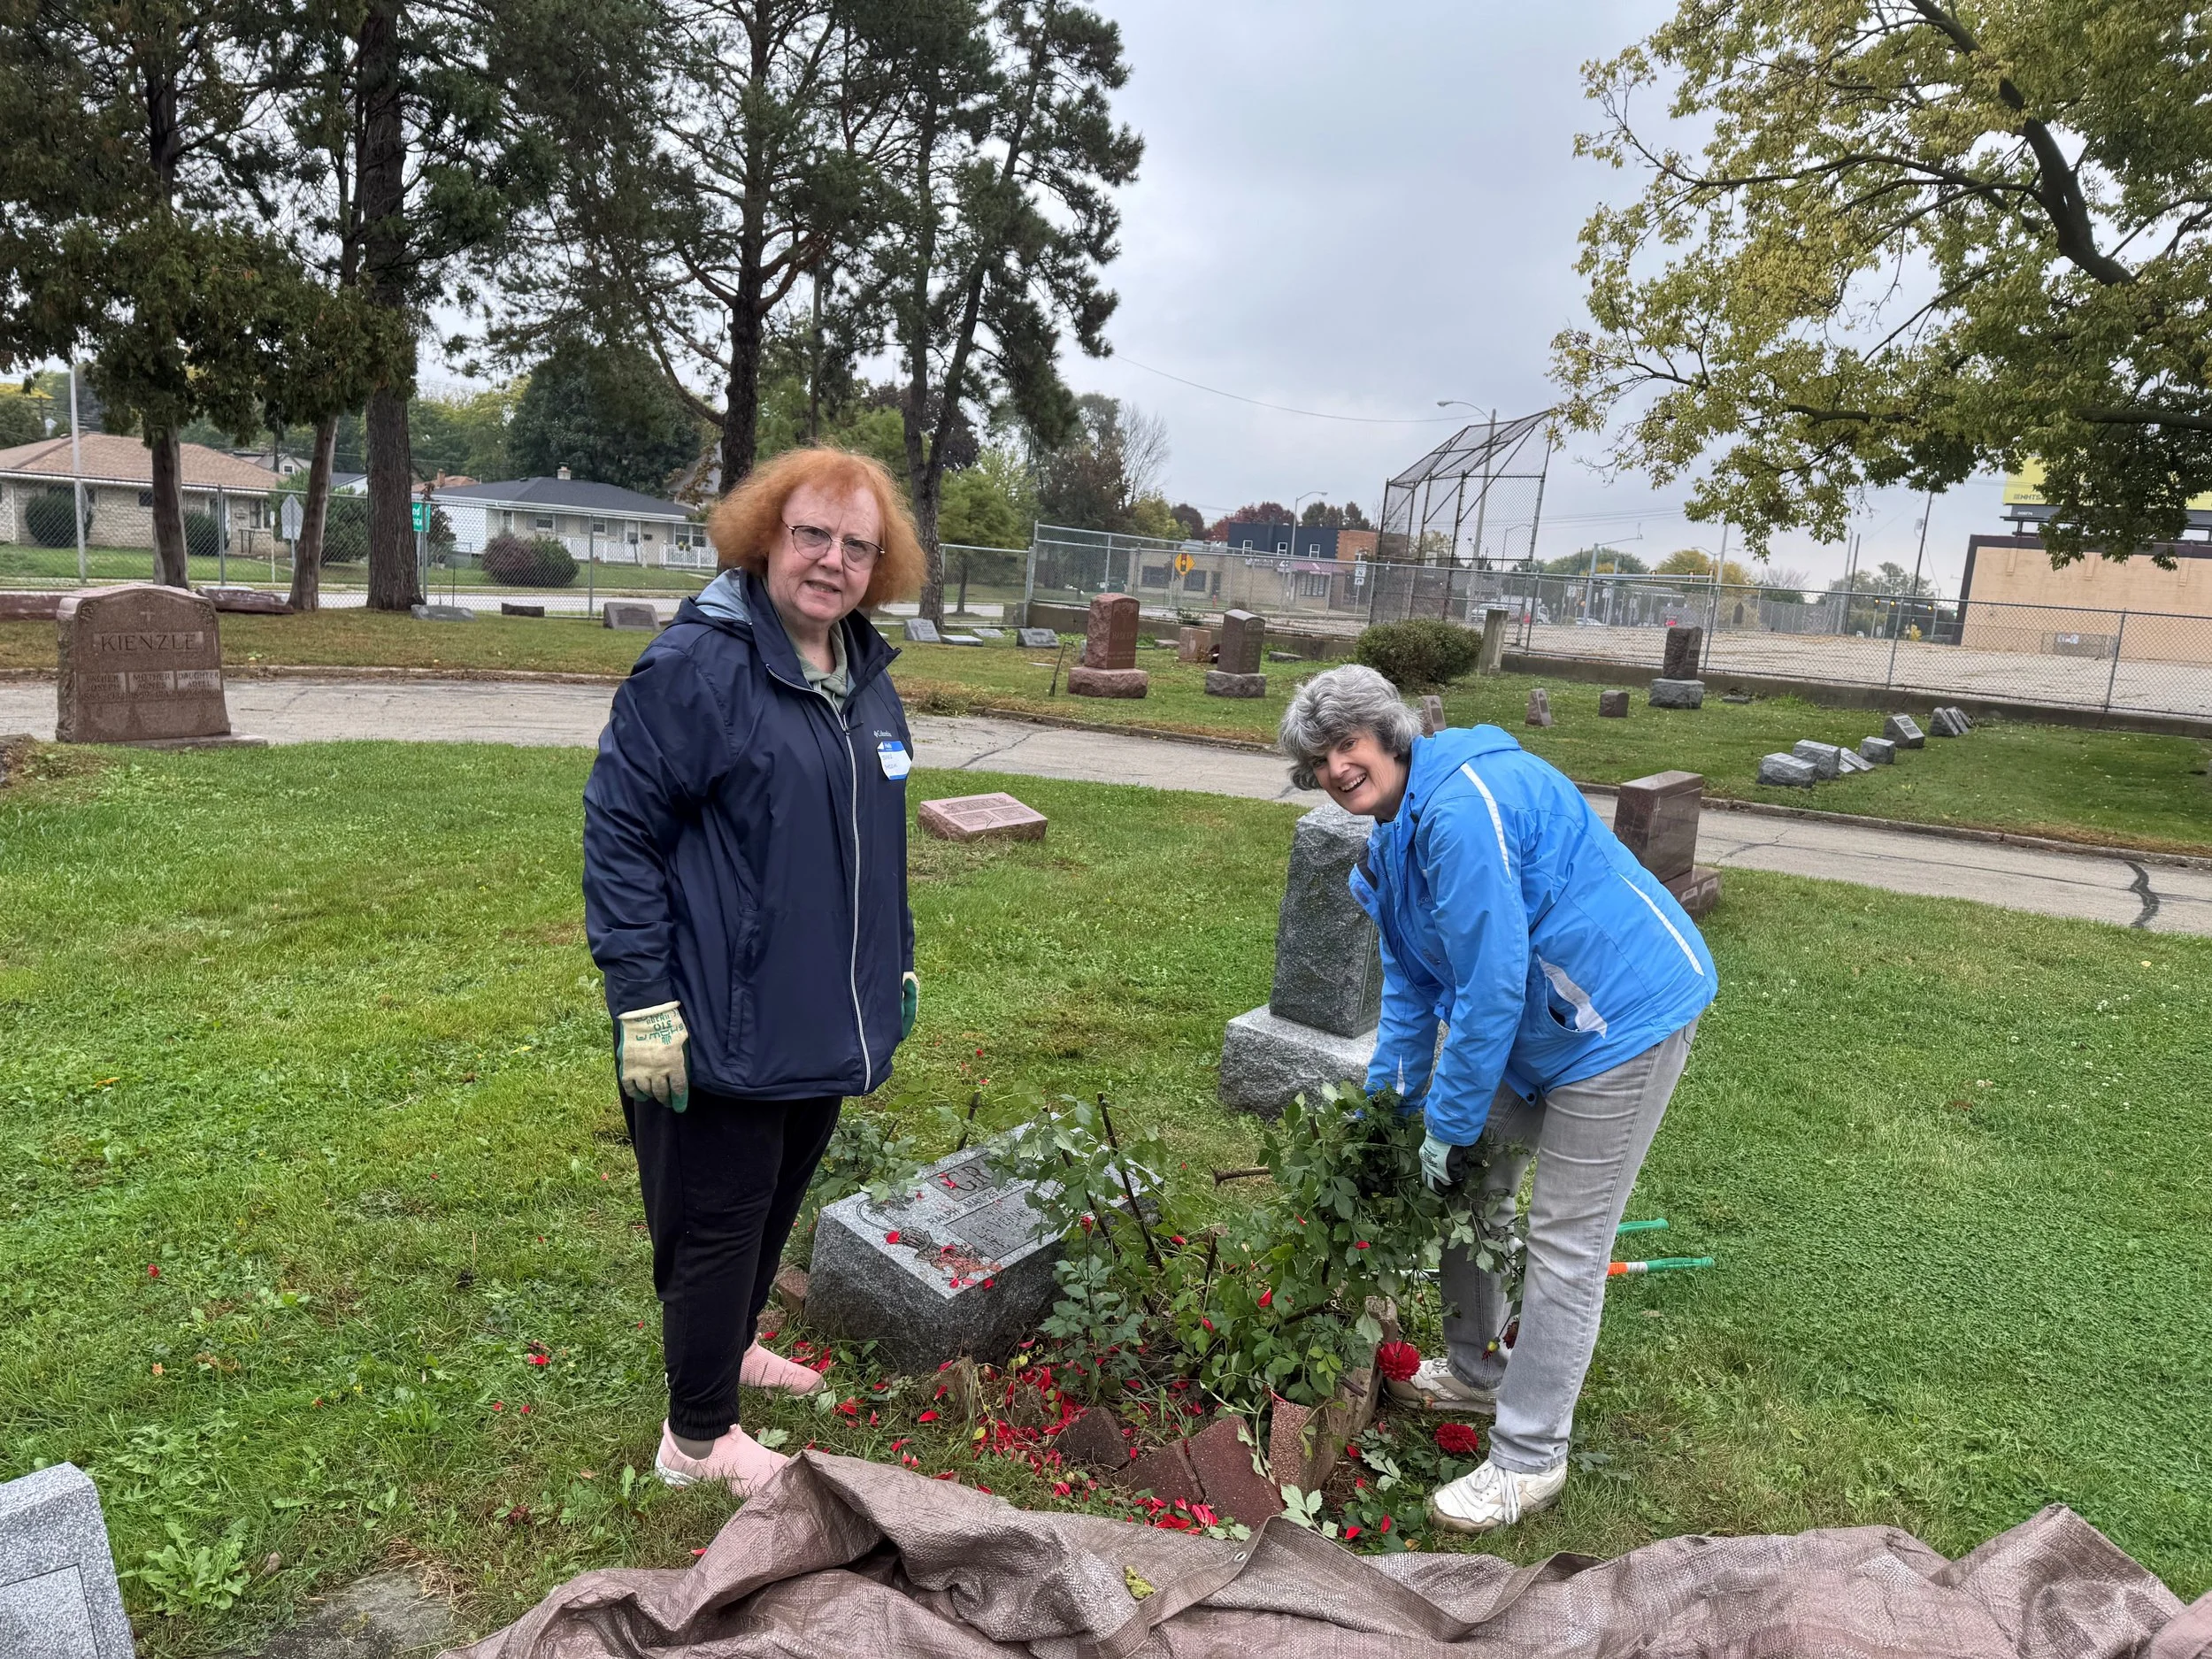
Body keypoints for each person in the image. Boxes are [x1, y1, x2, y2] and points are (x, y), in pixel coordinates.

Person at [1278, 665, 1717, 1535]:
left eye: (1345, 745)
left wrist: (1444, 1119)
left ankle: (1529, 1458)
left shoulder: (1458, 809)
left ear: (1388, 733)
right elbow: (1410, 990)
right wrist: (1390, 1112)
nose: (1335, 769)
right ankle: (1478, 1373)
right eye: (1317, 761)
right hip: (1544, 1021)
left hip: (1621, 1016)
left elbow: (1487, 986)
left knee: (1565, 1239)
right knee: (1470, 1175)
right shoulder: (1392, 842)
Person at [582, 446, 926, 1496]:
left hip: (822, 1012)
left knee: (774, 1199)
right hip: (714, 1016)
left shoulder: (859, 674)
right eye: (810, 534)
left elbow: (870, 843)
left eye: (855, 545)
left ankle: (726, 1352)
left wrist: (891, 970)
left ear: (881, 563)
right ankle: (695, 1441)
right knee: (719, 1216)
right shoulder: (699, 668)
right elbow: (620, 837)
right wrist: (644, 1002)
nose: (830, 560)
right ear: (763, 536)